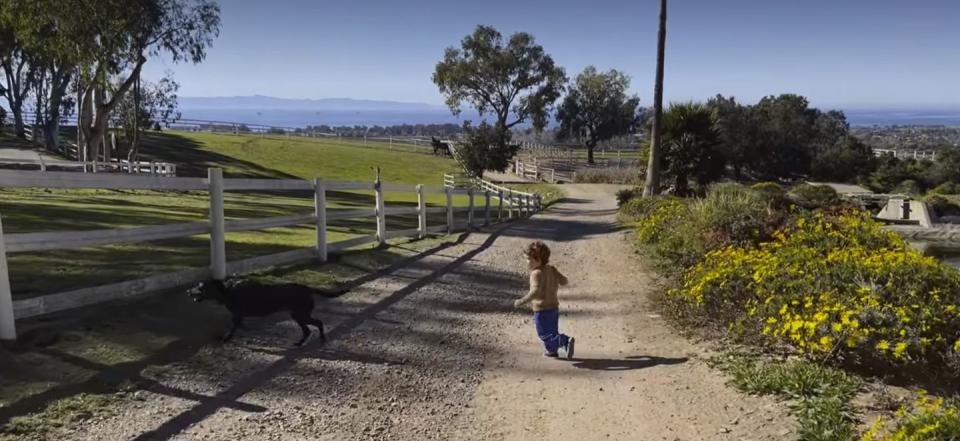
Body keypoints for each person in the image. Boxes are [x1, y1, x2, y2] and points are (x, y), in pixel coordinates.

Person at [514, 241, 575, 359]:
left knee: (543, 334)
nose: (527, 262)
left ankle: (564, 340)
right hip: (554, 308)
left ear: (538, 259)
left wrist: (522, 300)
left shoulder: (535, 274)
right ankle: (552, 352)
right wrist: (560, 280)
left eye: (528, 259)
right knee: (552, 331)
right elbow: (564, 281)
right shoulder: (551, 269)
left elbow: (535, 292)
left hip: (542, 309)